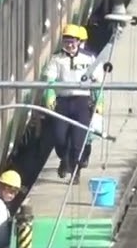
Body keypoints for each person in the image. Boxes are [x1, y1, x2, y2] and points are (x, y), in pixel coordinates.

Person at [42, 24, 105, 179]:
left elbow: (98, 81)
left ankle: (76, 170)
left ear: (78, 41)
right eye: (66, 41)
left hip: (82, 102)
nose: (69, 45)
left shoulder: (89, 58)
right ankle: (64, 159)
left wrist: (100, 101)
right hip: (63, 102)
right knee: (59, 138)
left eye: (72, 41)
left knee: (79, 140)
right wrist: (49, 94)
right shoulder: (57, 59)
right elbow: (49, 79)